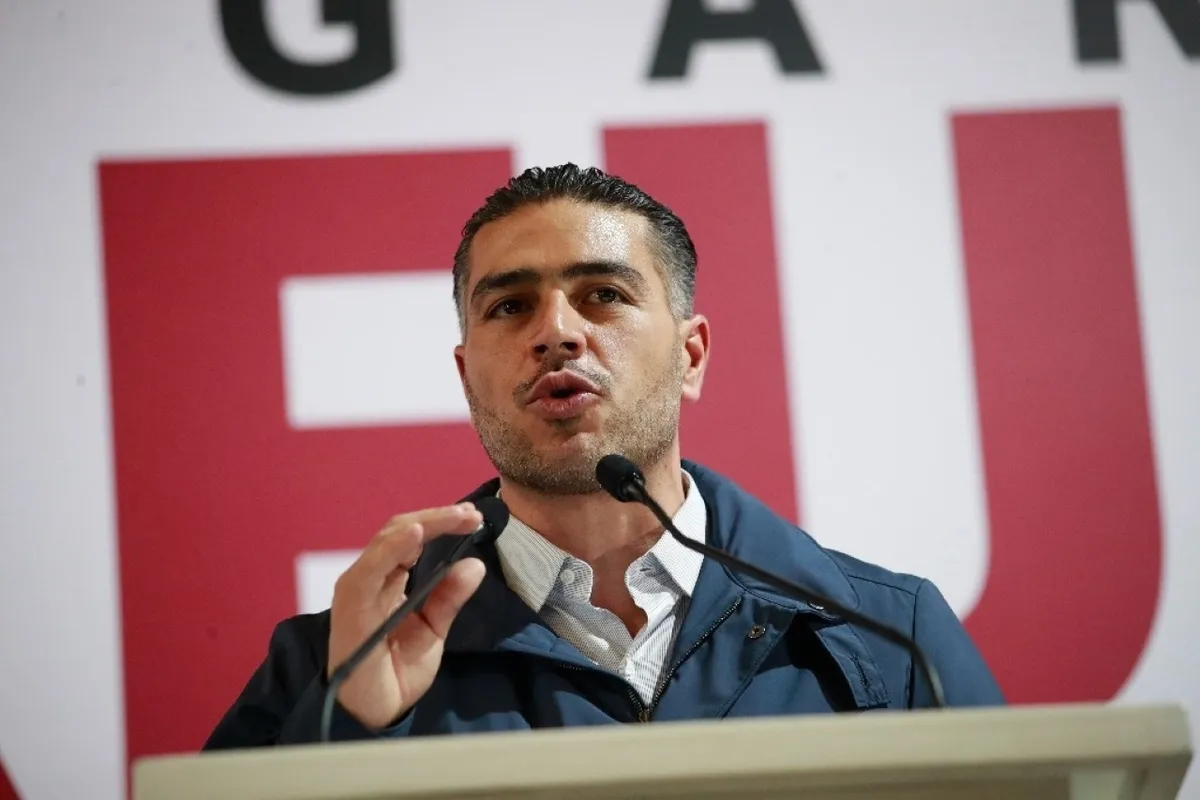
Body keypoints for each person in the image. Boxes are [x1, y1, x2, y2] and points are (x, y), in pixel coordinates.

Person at [204, 164, 1003, 748]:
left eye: (605, 296)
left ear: (690, 356)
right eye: (510, 305)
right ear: (465, 374)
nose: (556, 331)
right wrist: (353, 727)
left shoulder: (892, 639)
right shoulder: (335, 660)